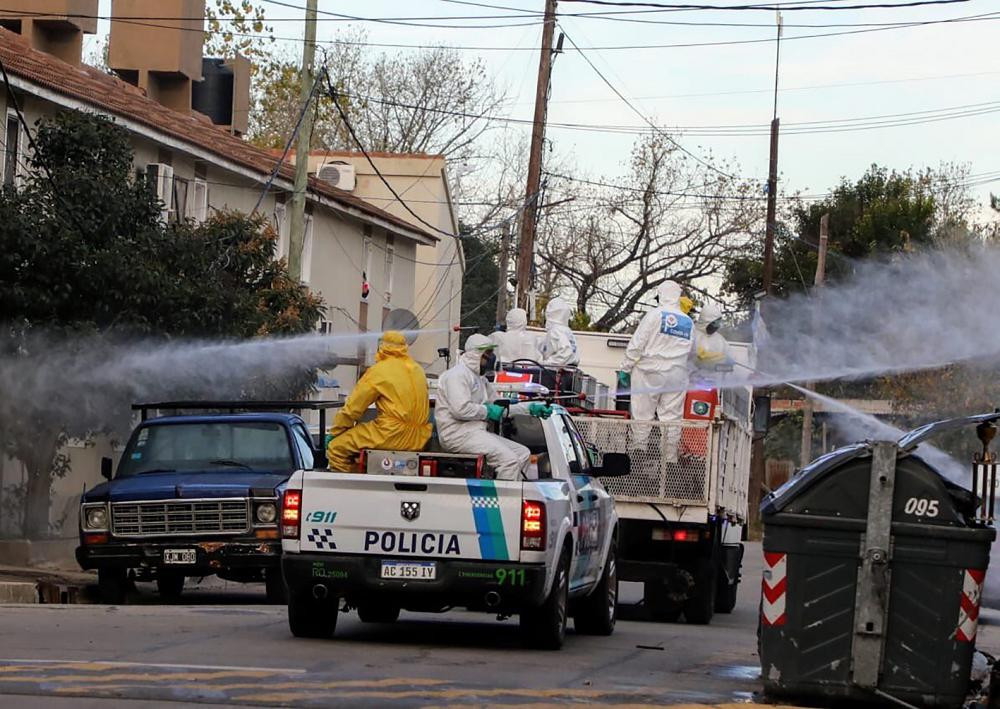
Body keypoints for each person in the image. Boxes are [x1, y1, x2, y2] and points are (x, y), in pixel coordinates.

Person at [436, 334, 552, 480]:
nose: (492, 358)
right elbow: (460, 409)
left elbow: (501, 406)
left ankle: (514, 495)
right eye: (488, 354)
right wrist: (487, 411)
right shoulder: (457, 375)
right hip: (457, 435)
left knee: (522, 454)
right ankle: (504, 501)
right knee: (509, 460)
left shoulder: (481, 380)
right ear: (475, 354)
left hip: (474, 433)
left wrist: (531, 407)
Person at [326, 331, 432, 473]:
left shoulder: (379, 370)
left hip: (390, 433)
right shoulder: (418, 370)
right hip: (419, 437)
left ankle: (350, 489)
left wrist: (335, 433)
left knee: (337, 449)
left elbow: (353, 409)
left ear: (382, 347)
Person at [618, 280, 694, 456]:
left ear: (662, 294)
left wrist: (626, 368)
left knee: (643, 414)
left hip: (649, 372)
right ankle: (669, 460)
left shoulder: (655, 315)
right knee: (672, 419)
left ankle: (639, 453)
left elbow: (637, 344)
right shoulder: (688, 321)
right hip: (677, 375)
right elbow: (691, 351)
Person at [539, 298, 580, 367]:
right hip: (570, 370)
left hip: (556, 371)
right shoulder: (567, 331)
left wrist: (548, 363)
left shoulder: (555, 331)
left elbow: (566, 351)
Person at [692, 301, 731, 371]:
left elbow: (727, 351)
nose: (717, 326)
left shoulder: (720, 339)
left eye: (719, 323)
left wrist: (729, 358)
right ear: (706, 321)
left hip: (714, 376)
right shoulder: (693, 335)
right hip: (694, 374)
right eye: (715, 323)